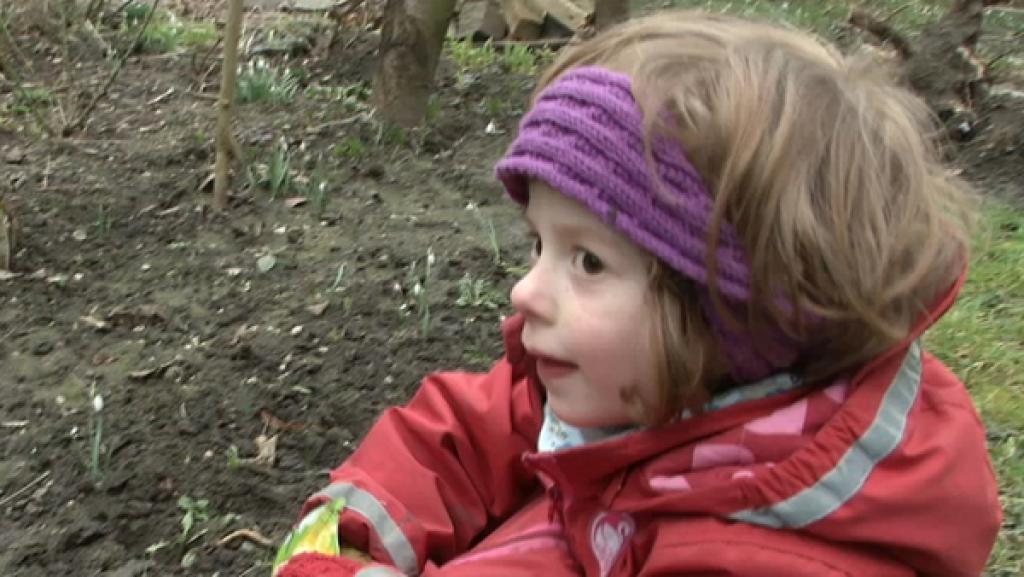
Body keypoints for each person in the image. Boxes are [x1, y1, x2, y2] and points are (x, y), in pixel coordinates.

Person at [274, 10, 1001, 577]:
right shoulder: (640, 390)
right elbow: (457, 433)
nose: (526, 289)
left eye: (587, 260)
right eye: (537, 243)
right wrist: (345, 537)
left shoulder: (755, 558)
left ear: (734, 314)